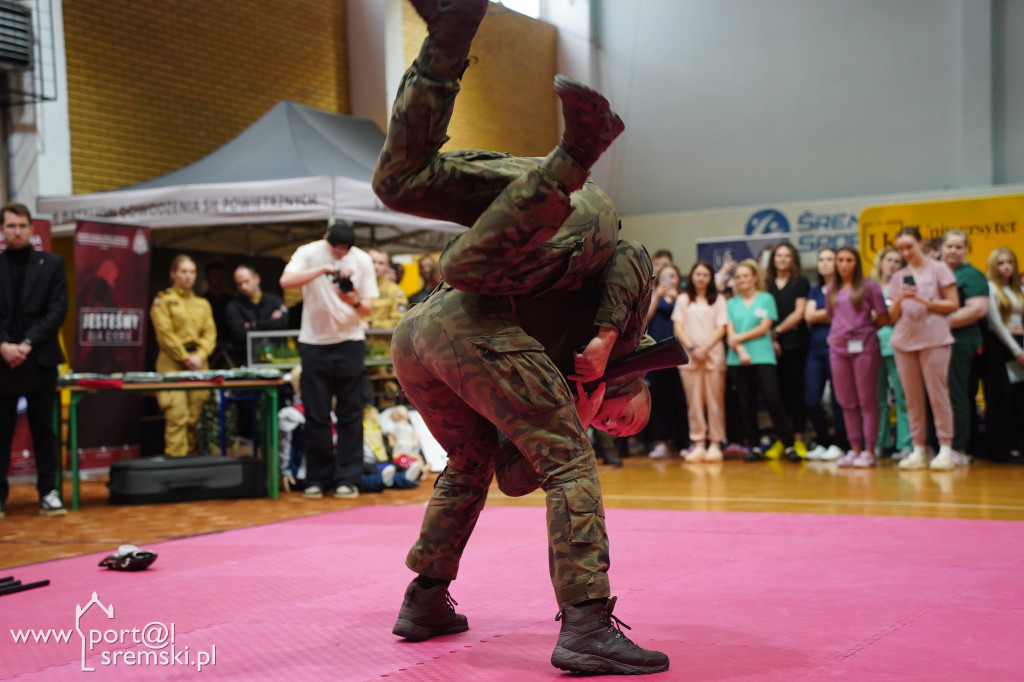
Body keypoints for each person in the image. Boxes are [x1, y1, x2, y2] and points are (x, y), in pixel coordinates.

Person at [371, 0, 668, 674]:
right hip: (578, 223)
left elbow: (510, 477)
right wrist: (601, 339)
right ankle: (588, 625)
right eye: (625, 414)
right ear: (635, 381)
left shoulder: (556, 390)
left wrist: (583, 411)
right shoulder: (624, 335)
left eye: (615, 429)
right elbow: (634, 255)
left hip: (427, 333)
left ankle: (425, 599)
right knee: (571, 461)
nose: (613, 423)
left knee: (399, 183)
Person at [279, 221, 378, 500]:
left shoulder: (362, 260)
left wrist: (350, 299)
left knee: (351, 413)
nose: (340, 255)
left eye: (345, 250)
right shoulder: (309, 253)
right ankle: (317, 479)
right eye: (336, 249)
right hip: (314, 343)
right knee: (316, 413)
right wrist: (324, 270)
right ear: (326, 240)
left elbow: (367, 308)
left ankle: (348, 479)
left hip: (350, 342)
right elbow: (286, 281)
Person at [0, 202, 69, 517]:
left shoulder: (52, 264)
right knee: (2, 430)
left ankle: (49, 491)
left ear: (31, 229)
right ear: (2, 230)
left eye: (23, 226)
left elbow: (58, 310)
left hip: (39, 356)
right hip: (2, 359)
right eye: (11, 226)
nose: (18, 232)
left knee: (43, 428)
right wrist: (3, 345)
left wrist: (26, 344)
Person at [886, 227, 959, 471]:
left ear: (921, 243)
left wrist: (924, 300)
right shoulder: (899, 276)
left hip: (934, 339)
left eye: (910, 246)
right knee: (911, 398)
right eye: (901, 248)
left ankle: (946, 448)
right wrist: (899, 299)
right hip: (904, 341)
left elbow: (953, 303)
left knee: (938, 395)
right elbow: (891, 315)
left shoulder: (939, 269)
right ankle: (918, 448)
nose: (905, 252)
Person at [726, 259, 797, 462]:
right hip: (737, 359)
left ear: (755, 277)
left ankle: (788, 444)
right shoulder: (731, 303)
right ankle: (754, 446)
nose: (742, 280)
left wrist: (738, 338)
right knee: (745, 403)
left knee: (772, 399)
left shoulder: (766, 299)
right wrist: (739, 348)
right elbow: (729, 330)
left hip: (763, 356)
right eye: (738, 277)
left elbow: (764, 327)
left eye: (746, 276)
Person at [826, 247, 889, 467]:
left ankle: (869, 449)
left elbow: (883, 316)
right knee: (846, 401)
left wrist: (864, 330)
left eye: (849, 260)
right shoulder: (832, 289)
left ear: (856, 263)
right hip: (838, 347)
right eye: (840, 260)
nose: (843, 264)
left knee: (867, 400)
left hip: (865, 347)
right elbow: (831, 315)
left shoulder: (870, 287)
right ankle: (854, 448)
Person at [150, 255, 217, 457]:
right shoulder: (163, 301)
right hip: (172, 363)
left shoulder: (203, 304)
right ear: (173, 274)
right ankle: (175, 464)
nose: (188, 276)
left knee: (194, 418)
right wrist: (184, 357)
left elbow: (210, 334)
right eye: (183, 271)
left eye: (192, 272)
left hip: (198, 363)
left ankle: (191, 464)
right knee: (177, 415)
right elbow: (165, 334)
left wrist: (200, 355)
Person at [940, 230, 989, 462]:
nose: (953, 251)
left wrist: (939, 323)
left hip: (960, 342)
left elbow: (978, 309)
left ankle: (958, 448)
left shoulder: (972, 276)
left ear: (966, 249)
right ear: (942, 248)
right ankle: (938, 444)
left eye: (958, 247)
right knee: (940, 395)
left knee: (956, 394)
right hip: (935, 344)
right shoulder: (937, 273)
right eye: (949, 246)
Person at [672, 261, 727, 462]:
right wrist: (694, 349)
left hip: (713, 355)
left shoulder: (718, 300)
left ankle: (715, 442)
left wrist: (705, 348)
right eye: (698, 274)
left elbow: (722, 327)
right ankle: (698, 443)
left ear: (710, 278)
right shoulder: (683, 299)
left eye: (705, 275)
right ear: (692, 276)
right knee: (693, 402)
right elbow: (678, 328)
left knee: (715, 401)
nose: (701, 278)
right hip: (690, 357)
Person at [766, 242, 810, 460]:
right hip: (770, 348)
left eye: (786, 256)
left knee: (796, 393)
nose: (782, 259)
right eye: (779, 255)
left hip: (795, 344)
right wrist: (770, 336)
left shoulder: (800, 282)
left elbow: (799, 313)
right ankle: (783, 440)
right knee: (777, 395)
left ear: (793, 260)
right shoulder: (766, 284)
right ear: (773, 259)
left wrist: (776, 331)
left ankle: (800, 439)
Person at [802, 248, 847, 461]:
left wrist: (828, 314)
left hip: (837, 347)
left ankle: (840, 443)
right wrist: (830, 313)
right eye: (821, 260)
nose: (825, 263)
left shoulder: (843, 288)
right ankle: (822, 441)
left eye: (830, 259)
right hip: (815, 349)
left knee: (839, 399)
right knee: (811, 397)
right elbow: (809, 315)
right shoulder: (814, 290)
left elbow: (844, 313)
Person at [983, 247, 1024, 462]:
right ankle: (1001, 447)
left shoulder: (1019, 290)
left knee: (1019, 398)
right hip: (1000, 347)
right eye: (1001, 262)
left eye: (1010, 261)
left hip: (1020, 343)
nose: (1006, 266)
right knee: (1002, 399)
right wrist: (1017, 351)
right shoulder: (990, 288)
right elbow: (996, 323)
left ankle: (1018, 443)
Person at [870, 247, 912, 459]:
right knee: (877, 398)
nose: (892, 264)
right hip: (872, 347)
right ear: (881, 261)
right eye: (889, 260)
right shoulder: (870, 286)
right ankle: (879, 442)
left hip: (898, 347)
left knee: (903, 396)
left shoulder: (906, 286)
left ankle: (906, 444)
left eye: (898, 261)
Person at [644, 263, 687, 458]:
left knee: (682, 399)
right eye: (664, 277)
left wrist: (677, 297)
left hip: (681, 354)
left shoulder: (684, 298)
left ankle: (684, 441)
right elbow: (646, 319)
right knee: (660, 400)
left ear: (679, 279)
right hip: (658, 353)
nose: (669, 281)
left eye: (673, 277)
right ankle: (661, 441)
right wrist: (657, 295)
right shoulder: (653, 297)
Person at [367, 247, 409, 406]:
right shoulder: (357, 288)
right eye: (372, 262)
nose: (376, 266)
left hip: (384, 356)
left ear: (386, 266)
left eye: (380, 263)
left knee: (387, 397)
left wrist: (372, 325)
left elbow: (400, 323)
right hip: (360, 354)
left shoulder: (395, 292)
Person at [225, 264, 289, 367]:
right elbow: (240, 334)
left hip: (276, 359)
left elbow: (282, 323)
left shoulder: (275, 300)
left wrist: (253, 324)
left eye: (246, 281)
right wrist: (270, 322)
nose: (243, 287)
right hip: (246, 361)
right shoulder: (234, 306)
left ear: (256, 279)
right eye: (239, 284)